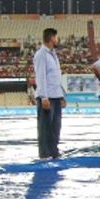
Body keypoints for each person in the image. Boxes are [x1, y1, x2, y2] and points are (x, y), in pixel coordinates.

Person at [33, 27, 65, 159]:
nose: (58, 40)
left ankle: (54, 151)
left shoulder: (53, 54)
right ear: (51, 38)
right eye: (56, 37)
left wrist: (62, 95)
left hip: (56, 95)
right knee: (45, 127)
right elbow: (41, 76)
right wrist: (44, 97)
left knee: (56, 127)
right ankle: (45, 153)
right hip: (47, 97)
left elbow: (56, 76)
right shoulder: (41, 54)